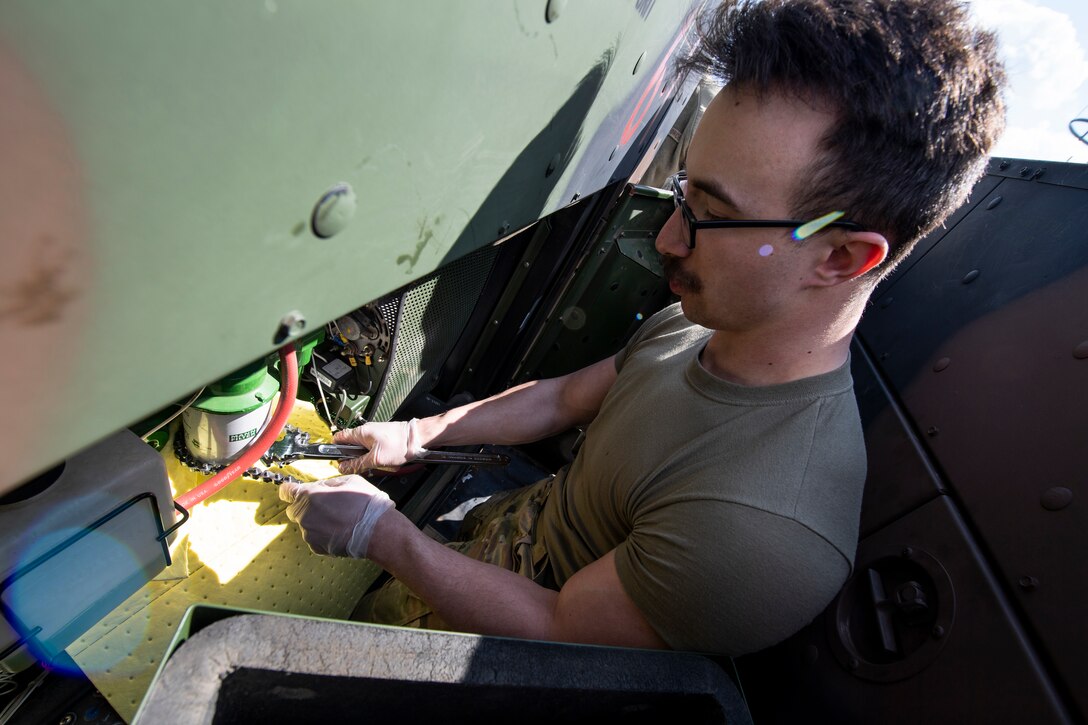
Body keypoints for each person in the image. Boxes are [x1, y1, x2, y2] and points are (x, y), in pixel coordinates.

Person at [279, 0, 1006, 656]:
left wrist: (385, 538)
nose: (666, 240)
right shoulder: (701, 322)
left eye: (713, 216)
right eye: (683, 192)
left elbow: (557, 630)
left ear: (843, 255)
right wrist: (418, 436)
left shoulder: (762, 531)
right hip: (488, 543)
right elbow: (566, 399)